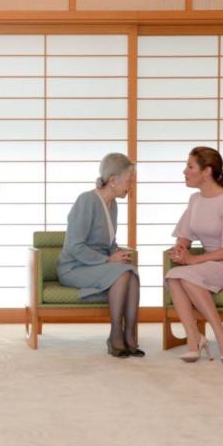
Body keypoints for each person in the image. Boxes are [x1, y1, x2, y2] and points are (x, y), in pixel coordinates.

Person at [166, 146, 223, 364]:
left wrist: (193, 260)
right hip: (212, 264)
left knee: (186, 275)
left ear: (206, 171)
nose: (184, 171)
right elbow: (185, 236)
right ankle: (194, 339)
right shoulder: (195, 200)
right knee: (174, 276)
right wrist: (181, 249)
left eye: (190, 166)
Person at [57, 153, 142, 357]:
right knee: (123, 274)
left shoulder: (113, 205)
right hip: (74, 267)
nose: (131, 185)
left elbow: (109, 242)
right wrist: (107, 259)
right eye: (129, 181)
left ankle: (130, 336)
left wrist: (116, 252)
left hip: (95, 266)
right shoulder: (86, 200)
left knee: (130, 273)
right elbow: (75, 246)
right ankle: (115, 336)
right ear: (113, 180)